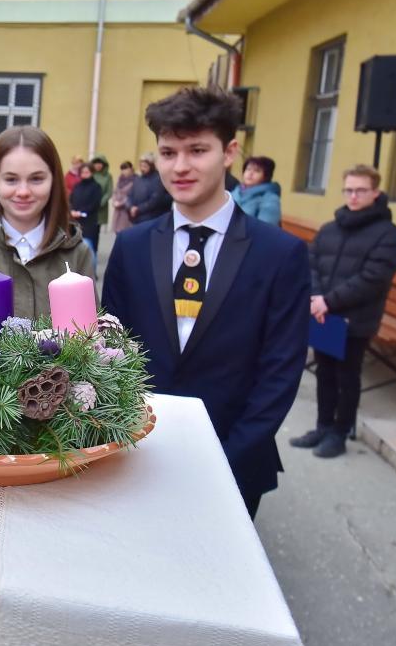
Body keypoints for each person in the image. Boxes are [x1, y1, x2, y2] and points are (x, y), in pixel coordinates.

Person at [102, 86, 309, 518]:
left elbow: (280, 371)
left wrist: (225, 460)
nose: (180, 166)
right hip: (139, 454)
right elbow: (112, 351)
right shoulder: (133, 246)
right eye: (168, 151)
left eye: (197, 150)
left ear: (229, 151)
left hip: (233, 459)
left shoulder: (279, 253)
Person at [292, 164, 396, 458]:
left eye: (361, 190)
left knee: (347, 376)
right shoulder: (331, 229)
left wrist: (328, 302)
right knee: (324, 372)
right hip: (324, 314)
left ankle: (340, 433)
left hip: (355, 319)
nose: (353, 196)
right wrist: (316, 297)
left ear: (376, 192)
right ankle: (322, 426)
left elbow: (373, 278)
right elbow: (313, 263)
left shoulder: (389, 235)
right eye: (349, 190)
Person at [0, 126, 94, 319]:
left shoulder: (76, 252)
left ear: (53, 180)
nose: (23, 191)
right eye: (11, 179)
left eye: (36, 179)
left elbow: (90, 338)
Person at [231, 156, 282, 226]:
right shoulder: (234, 192)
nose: (250, 173)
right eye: (248, 169)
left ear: (266, 176)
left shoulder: (270, 198)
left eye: (257, 171)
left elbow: (266, 229)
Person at [127, 152, 171, 225]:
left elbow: (155, 200)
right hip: (136, 217)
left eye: (145, 166)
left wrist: (138, 209)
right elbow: (130, 195)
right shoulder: (138, 178)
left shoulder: (158, 179)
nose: (142, 168)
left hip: (150, 218)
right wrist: (131, 207)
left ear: (151, 166)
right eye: (141, 166)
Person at [69, 163, 102, 256]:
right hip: (75, 220)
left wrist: (82, 212)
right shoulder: (77, 186)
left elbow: (95, 203)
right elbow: (71, 199)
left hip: (89, 221)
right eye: (83, 172)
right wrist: (72, 210)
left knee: (89, 248)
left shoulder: (96, 187)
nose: (84, 174)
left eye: (87, 172)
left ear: (92, 173)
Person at [111, 160, 136, 234]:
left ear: (131, 169)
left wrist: (121, 203)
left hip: (126, 210)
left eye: (126, 169)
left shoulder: (135, 180)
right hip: (117, 210)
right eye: (122, 169)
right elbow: (115, 191)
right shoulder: (120, 179)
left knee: (125, 232)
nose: (124, 171)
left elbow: (132, 195)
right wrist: (114, 201)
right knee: (117, 232)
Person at [88, 154, 113, 227]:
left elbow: (109, 192)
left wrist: (101, 202)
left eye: (100, 163)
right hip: (89, 206)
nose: (98, 165)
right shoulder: (90, 174)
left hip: (101, 206)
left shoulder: (108, 176)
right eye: (96, 163)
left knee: (96, 228)